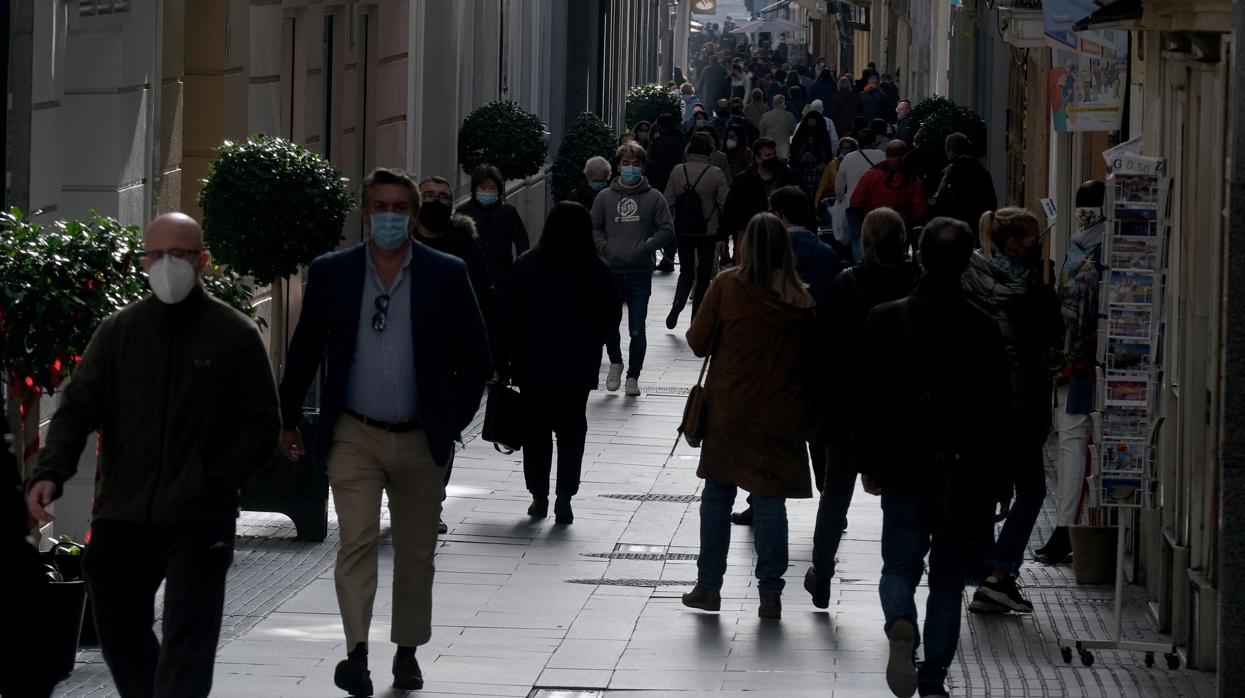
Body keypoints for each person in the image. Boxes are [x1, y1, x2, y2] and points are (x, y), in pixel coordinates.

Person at [27, 213, 280, 698]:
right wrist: (50, 473)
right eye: (155, 255)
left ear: (202, 261)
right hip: (126, 509)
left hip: (201, 515)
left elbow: (263, 425)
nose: (166, 265)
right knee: (114, 614)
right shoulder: (119, 332)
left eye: (179, 255)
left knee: (190, 636)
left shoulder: (234, 336)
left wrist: (217, 480)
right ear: (142, 262)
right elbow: (76, 410)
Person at [278, 168, 491, 695]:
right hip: (354, 432)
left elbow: (476, 354)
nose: (389, 217)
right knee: (356, 541)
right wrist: (286, 420)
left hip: (422, 436)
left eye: (400, 208)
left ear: (414, 217)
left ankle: (407, 651)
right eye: (380, 207)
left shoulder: (445, 273)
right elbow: (304, 351)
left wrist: (452, 421)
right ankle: (356, 654)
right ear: (365, 213)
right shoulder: (333, 273)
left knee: (417, 551)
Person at [856, 217, 1013, 698]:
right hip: (966, 475)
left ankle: (901, 621)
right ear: (967, 263)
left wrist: (869, 464)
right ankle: (933, 679)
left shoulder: (885, 319)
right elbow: (999, 410)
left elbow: (866, 400)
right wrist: (1000, 480)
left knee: (898, 567)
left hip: (903, 466)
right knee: (947, 583)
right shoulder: (984, 328)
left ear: (919, 257)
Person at [680, 212, 817, 621]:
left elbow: (698, 343)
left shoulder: (727, 286)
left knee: (718, 495)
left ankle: (709, 586)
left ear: (747, 244)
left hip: (729, 408)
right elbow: (811, 364)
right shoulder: (802, 300)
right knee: (770, 501)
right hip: (780, 411)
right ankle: (771, 594)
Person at [805, 207, 919, 610]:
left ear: (865, 240)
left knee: (836, 492)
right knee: (900, 498)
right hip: (900, 411)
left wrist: (817, 408)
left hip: (848, 408)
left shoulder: (845, 284)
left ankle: (821, 570)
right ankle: (897, 579)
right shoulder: (916, 284)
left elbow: (823, 352)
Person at [961, 207, 1063, 616]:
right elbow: (1045, 341)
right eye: (1036, 237)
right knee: (1033, 490)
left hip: (982, 405)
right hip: (1020, 407)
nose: (1041, 244)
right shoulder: (1027, 289)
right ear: (1015, 242)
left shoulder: (973, 276)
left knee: (989, 491)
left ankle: (988, 575)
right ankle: (998, 574)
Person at [497, 202, 620, 526]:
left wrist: (502, 358)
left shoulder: (527, 265)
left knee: (535, 430)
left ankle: (539, 495)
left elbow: (508, 315)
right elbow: (611, 316)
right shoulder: (596, 270)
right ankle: (565, 496)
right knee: (571, 430)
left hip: (533, 362)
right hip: (577, 364)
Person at [1038, 181, 1106, 564]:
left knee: (1073, 441)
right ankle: (1068, 526)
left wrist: (1066, 361)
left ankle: (1068, 527)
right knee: (1074, 442)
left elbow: (1075, 310)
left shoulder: (1083, 246)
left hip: (1078, 362)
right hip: (1081, 359)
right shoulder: (1092, 244)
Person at [592, 142, 676, 396]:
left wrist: (647, 246)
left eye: (636, 164)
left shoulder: (654, 198)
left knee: (637, 327)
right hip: (611, 271)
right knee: (608, 323)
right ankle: (616, 362)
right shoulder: (605, 197)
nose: (631, 168)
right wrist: (605, 247)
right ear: (618, 166)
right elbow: (594, 226)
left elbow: (667, 229)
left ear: (642, 166)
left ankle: (633, 376)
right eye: (626, 164)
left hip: (640, 272)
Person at [664, 132, 731, 328]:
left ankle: (677, 305)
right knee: (703, 274)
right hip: (708, 231)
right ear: (710, 149)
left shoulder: (678, 171)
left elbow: (668, 201)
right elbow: (725, 203)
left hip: (683, 230)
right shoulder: (716, 173)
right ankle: (696, 318)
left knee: (685, 270)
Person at [456, 165, 530, 296]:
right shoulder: (463, 212)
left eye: (491, 188)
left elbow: (521, 239)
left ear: (498, 190)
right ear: (475, 189)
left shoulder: (508, 212)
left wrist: (520, 267)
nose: (487, 192)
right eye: (483, 188)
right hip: (473, 277)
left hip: (502, 276)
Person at [722, 138, 798, 265]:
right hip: (752, 233)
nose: (772, 158)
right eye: (768, 155)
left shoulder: (787, 176)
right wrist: (722, 236)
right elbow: (730, 208)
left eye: (774, 154)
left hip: (781, 234)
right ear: (757, 158)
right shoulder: (744, 180)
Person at [849, 140, 928, 230]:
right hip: (900, 228)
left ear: (886, 154)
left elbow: (855, 202)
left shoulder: (870, 175)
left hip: (874, 226)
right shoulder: (912, 179)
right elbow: (920, 209)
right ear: (904, 155)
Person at [933, 132, 998, 238]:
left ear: (951, 150)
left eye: (946, 149)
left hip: (956, 229)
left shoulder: (952, 173)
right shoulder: (981, 171)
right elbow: (991, 200)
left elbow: (942, 203)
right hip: (978, 226)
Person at [835, 130, 887, 262]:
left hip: (853, 204)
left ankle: (860, 265)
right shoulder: (881, 155)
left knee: (857, 238)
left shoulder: (849, 158)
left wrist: (841, 198)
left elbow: (839, 184)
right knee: (878, 237)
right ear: (874, 142)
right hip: (878, 204)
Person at [789, 110, 837, 201]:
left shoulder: (823, 137)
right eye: (809, 126)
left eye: (814, 127)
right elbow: (793, 155)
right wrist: (800, 160)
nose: (811, 129)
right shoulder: (799, 137)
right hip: (801, 175)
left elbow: (828, 155)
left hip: (818, 175)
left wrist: (824, 165)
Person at [758, 94, 797, 160]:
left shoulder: (765, 116)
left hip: (768, 150)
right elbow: (793, 133)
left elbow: (761, 134)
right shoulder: (790, 116)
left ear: (773, 103)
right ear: (783, 103)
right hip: (784, 151)